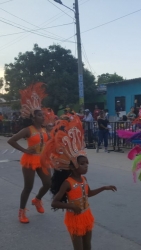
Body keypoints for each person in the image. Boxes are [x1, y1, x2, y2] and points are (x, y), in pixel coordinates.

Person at [41, 116, 117, 250]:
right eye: (82, 164)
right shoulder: (67, 183)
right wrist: (71, 206)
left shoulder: (83, 179)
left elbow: (88, 193)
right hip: (74, 218)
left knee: (88, 246)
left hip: (87, 214)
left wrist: (104, 188)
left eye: (87, 163)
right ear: (72, 166)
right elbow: (55, 202)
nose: (86, 166)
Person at [7, 83, 51, 224]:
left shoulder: (45, 130)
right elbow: (11, 141)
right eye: (39, 115)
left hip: (43, 160)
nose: (42, 117)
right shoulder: (28, 130)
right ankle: (21, 212)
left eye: (43, 115)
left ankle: (37, 200)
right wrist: (25, 150)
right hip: (30, 160)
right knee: (28, 187)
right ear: (33, 117)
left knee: (48, 183)